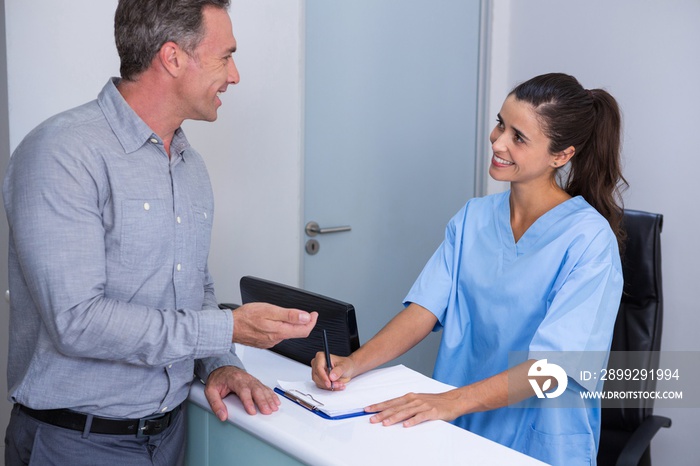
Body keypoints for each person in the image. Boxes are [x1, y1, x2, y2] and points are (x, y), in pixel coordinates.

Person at [2, 1, 318, 465]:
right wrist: (230, 328)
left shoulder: (189, 166)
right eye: (225, 56)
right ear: (172, 57)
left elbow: (196, 287)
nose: (235, 76)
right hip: (76, 445)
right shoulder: (61, 154)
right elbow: (77, 322)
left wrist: (221, 361)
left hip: (170, 436)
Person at [311, 73, 626, 466]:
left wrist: (450, 402)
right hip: (458, 428)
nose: (497, 141)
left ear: (561, 155)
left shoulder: (589, 240)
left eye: (518, 137)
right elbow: (423, 311)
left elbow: (553, 369)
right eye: (500, 124)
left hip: (538, 441)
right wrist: (352, 364)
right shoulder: (474, 217)